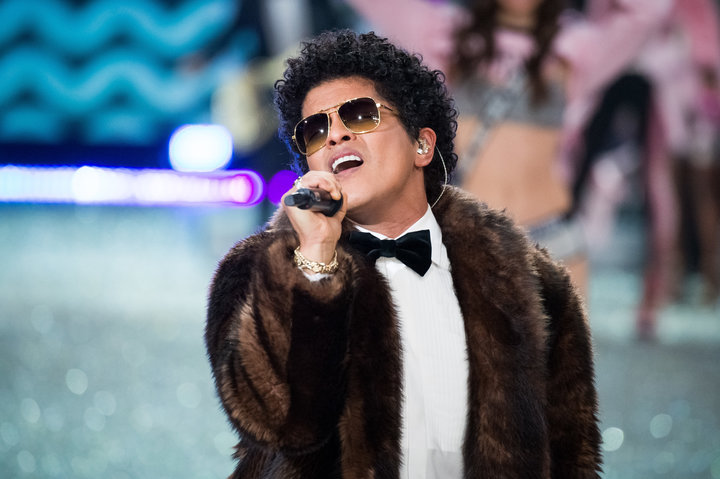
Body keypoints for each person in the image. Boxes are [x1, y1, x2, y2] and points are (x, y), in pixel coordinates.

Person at [206, 30, 601, 478]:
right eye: (314, 130)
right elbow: (278, 423)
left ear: (422, 145)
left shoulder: (534, 283)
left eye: (359, 114)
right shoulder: (257, 273)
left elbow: (572, 454)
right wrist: (314, 264)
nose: (335, 135)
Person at [344, 0, 671, 296]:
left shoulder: (576, 46)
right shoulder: (447, 34)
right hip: (470, 242)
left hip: (552, 244)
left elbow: (650, 11)